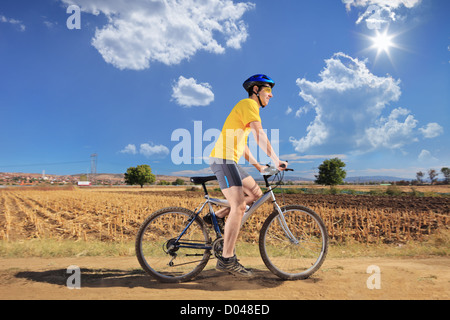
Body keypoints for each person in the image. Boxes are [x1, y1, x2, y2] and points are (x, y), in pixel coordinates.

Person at [207, 74, 288, 277]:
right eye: (267, 90)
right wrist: (276, 159)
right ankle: (227, 259)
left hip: (230, 160)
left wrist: (260, 167)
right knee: (239, 205)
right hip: (223, 159)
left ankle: (215, 218)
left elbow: (242, 148)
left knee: (254, 194)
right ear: (255, 90)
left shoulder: (246, 112)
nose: (271, 95)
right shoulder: (248, 105)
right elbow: (260, 135)